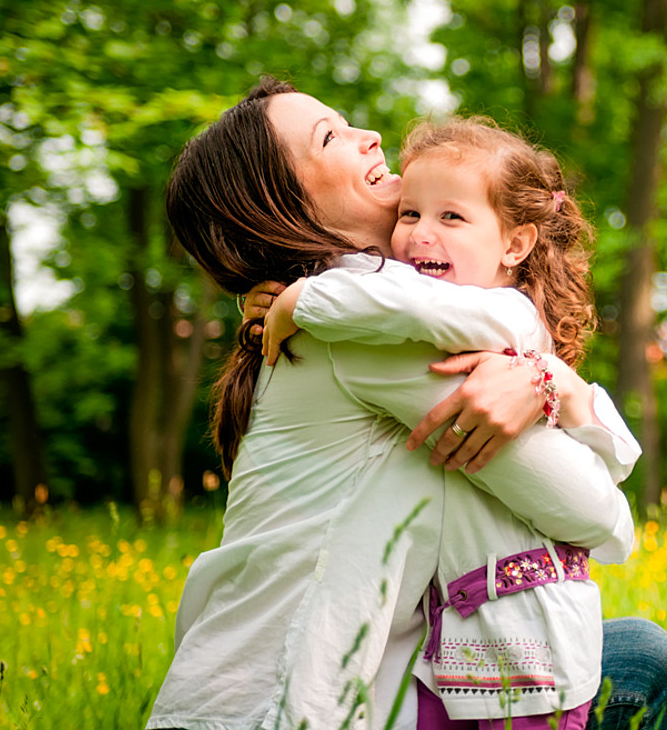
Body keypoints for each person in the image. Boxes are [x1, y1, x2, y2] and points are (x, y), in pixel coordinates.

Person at [147, 77, 667, 730]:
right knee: (647, 659)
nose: (368, 136)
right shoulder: (362, 333)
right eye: (330, 138)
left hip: (344, 679)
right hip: (272, 708)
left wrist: (552, 381)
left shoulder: (344, 307)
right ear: (280, 206)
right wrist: (553, 383)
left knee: (633, 653)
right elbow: (600, 518)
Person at [259, 116, 640, 729]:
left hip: (531, 644)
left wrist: (303, 300)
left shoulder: (488, 321)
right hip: (455, 642)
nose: (418, 235)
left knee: (645, 657)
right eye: (409, 214)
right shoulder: (418, 320)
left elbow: (612, 482)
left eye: (450, 217)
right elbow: (393, 300)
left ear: (515, 246)